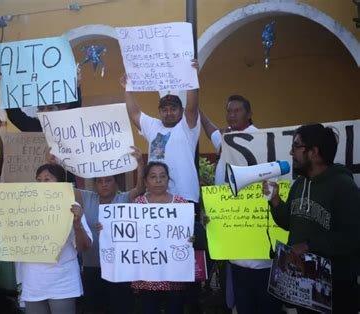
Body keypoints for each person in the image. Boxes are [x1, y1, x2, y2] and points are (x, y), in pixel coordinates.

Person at [263, 124, 360, 314]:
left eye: (296, 146)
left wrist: (309, 245)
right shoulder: (299, 184)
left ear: (314, 152)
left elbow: (352, 236)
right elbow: (287, 223)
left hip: (335, 289)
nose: (291, 152)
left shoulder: (343, 186)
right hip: (304, 287)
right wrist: (275, 200)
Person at [201, 95, 282, 314]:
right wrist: (193, 103)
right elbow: (209, 128)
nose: (232, 114)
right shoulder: (227, 139)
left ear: (249, 113)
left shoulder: (260, 139)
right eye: (228, 111)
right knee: (242, 300)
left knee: (265, 302)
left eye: (237, 110)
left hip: (257, 235)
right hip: (233, 237)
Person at [0, 164, 92, 314]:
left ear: (61, 184)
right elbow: (6, 233)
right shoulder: (22, 206)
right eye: (39, 180)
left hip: (62, 281)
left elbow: (84, 247)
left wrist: (77, 223)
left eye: (47, 179)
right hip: (32, 280)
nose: (42, 184)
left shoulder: (72, 207)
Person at [121, 60, 201, 205]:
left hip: (186, 195)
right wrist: (127, 88)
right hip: (154, 198)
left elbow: (192, 107)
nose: (168, 113)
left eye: (173, 109)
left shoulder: (187, 126)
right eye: (164, 110)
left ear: (181, 111)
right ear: (159, 112)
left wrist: (192, 79)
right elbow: (134, 113)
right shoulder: (153, 126)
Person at [76, 147, 144, 314]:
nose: (104, 184)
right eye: (100, 181)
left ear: (116, 183)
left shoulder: (124, 198)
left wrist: (140, 163)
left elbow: (141, 189)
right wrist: (59, 164)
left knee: (120, 307)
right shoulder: (87, 197)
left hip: (119, 267)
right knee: (93, 309)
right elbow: (62, 190)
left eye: (108, 180)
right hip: (92, 265)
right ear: (95, 184)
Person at [131, 161, 191, 314]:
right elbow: (128, 234)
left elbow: (188, 235)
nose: (158, 180)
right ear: (146, 181)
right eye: (153, 177)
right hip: (147, 275)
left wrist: (191, 239)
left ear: (168, 180)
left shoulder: (181, 204)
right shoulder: (137, 205)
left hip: (175, 275)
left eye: (162, 176)